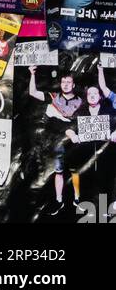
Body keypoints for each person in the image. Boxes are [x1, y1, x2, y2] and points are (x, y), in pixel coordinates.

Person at [29, 67, 84, 214]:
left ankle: (77, 199)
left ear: (73, 85)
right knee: (58, 172)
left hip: (74, 144)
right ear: (60, 84)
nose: (65, 84)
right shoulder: (53, 97)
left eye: (69, 82)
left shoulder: (80, 102)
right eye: (63, 82)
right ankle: (59, 201)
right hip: (57, 142)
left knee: (75, 172)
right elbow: (33, 92)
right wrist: (32, 74)